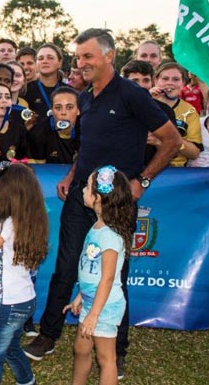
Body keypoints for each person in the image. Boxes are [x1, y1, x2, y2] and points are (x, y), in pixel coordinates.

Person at [24, 29, 180, 382]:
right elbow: (88, 145)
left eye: (88, 56)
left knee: (116, 276)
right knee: (65, 265)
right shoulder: (87, 98)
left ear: (109, 56)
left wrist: (143, 181)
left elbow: (172, 142)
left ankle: (116, 350)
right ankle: (48, 335)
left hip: (117, 204)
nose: (82, 63)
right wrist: (72, 174)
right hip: (82, 193)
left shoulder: (133, 96)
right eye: (78, 57)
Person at [0, 162, 48, 385]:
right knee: (12, 347)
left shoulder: (5, 224)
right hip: (25, 300)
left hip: (7, 303)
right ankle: (27, 381)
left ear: (10, 194)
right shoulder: (31, 220)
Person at [65, 166, 135, 385]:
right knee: (81, 349)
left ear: (98, 198)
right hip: (91, 302)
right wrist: (80, 295)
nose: (83, 190)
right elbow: (90, 268)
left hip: (104, 307)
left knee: (106, 358)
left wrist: (94, 315)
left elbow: (107, 279)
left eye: (87, 187)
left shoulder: (110, 236)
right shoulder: (96, 226)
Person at [149, 62, 202, 167]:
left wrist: (167, 141)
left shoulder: (190, 111)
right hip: (143, 168)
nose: (170, 83)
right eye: (165, 79)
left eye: (176, 79)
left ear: (183, 83)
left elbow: (194, 153)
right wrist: (147, 100)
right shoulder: (144, 102)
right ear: (155, 81)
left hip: (175, 172)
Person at [27, 87, 80, 164]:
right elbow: (39, 170)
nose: (63, 112)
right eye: (58, 108)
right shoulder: (38, 133)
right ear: (52, 110)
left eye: (69, 107)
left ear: (78, 110)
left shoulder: (88, 131)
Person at [24, 43, 67, 118]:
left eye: (50, 58)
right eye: (40, 58)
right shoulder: (26, 91)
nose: (45, 61)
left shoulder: (69, 92)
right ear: (36, 63)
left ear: (59, 63)